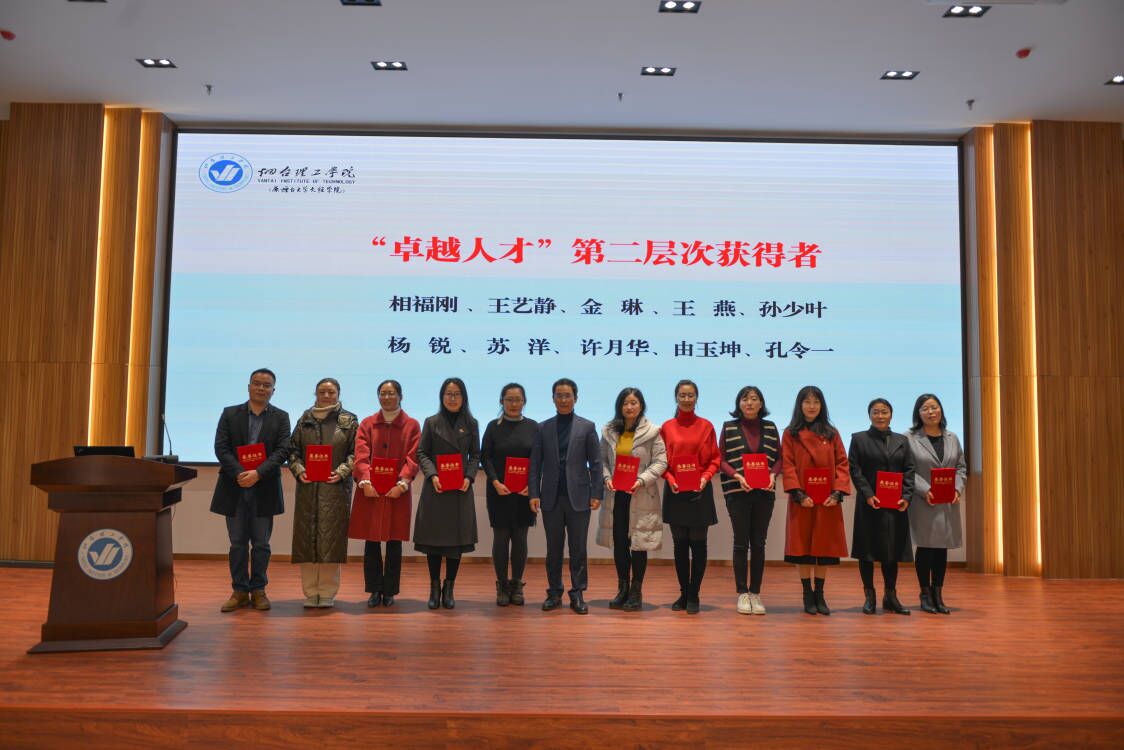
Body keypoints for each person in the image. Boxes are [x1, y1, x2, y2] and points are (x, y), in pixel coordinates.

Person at [210, 368, 291, 613]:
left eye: (267, 385)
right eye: (257, 383)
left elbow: (283, 450)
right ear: (248, 386)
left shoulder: (281, 417)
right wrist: (240, 473)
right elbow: (221, 448)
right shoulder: (230, 414)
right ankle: (239, 591)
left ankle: (258, 590)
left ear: (273, 390)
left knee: (261, 544)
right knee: (237, 543)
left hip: (264, 487)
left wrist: (257, 473)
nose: (261, 388)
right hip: (234, 487)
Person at [529, 378, 603, 615]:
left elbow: (596, 463)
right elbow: (535, 464)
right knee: (553, 549)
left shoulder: (587, 427)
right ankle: (554, 592)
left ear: (575, 398)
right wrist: (533, 493)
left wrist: (597, 492)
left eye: (567, 395)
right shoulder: (542, 428)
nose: (563, 399)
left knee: (578, 548)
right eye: (559, 395)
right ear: (553, 399)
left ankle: (577, 593)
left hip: (579, 497)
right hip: (550, 497)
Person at [349, 379, 420, 608]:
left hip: (397, 492)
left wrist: (402, 483)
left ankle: (390, 591)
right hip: (370, 490)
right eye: (382, 393)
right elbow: (361, 455)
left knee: (394, 542)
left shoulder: (412, 425)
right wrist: (365, 480)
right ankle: (374, 590)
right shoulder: (367, 424)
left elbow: (413, 458)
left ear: (400, 396)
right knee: (371, 542)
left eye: (391, 393)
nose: (386, 397)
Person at [287, 378, 358, 608]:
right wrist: (299, 470)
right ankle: (310, 593)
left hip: (335, 489)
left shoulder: (348, 421)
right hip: (308, 489)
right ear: (315, 394)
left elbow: (356, 453)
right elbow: (293, 451)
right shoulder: (304, 419)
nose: (326, 395)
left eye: (331, 392)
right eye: (322, 391)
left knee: (330, 541)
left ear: (338, 394)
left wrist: (342, 471)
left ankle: (327, 593)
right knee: (307, 541)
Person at [780, 385, 851, 616]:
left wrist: (837, 493)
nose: (812, 406)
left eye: (816, 402)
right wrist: (798, 494)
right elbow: (788, 464)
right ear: (800, 405)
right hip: (802, 500)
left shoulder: (831, 433)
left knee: (824, 547)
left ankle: (820, 594)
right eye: (807, 402)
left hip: (827, 500)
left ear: (822, 406)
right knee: (802, 548)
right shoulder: (790, 433)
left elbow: (842, 463)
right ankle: (806, 593)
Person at [596, 387, 667, 611]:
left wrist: (641, 480)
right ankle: (623, 588)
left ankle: (636, 591)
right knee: (619, 543)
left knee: (639, 544)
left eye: (634, 403)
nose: (629, 407)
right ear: (619, 406)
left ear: (641, 405)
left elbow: (661, 461)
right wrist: (606, 478)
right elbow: (601, 460)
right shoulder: (608, 430)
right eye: (625, 403)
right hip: (616, 496)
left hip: (640, 494)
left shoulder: (653, 431)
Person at [414, 377, 480, 610]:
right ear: (442, 397)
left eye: (457, 394)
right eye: (448, 394)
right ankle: (434, 587)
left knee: (455, 543)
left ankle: (449, 587)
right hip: (437, 489)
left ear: (463, 397)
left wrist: (469, 477)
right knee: (434, 542)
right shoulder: (431, 422)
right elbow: (422, 453)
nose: (452, 398)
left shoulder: (471, 423)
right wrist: (432, 475)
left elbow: (475, 455)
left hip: (460, 489)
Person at [848, 398, 916, 616]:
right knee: (866, 552)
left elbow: (909, 470)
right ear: (869, 415)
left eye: (884, 412)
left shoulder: (902, 441)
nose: (880, 416)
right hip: (870, 505)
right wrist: (868, 495)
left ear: (891, 414)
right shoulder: (859, 439)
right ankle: (869, 596)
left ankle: (891, 596)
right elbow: (855, 470)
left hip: (895, 506)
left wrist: (906, 496)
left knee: (891, 552)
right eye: (875, 412)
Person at [659, 379, 720, 615]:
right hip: (675, 491)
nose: (686, 399)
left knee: (699, 544)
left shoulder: (706, 426)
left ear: (697, 398)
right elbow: (661, 461)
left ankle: (694, 593)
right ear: (676, 397)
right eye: (682, 395)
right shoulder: (667, 427)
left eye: (690, 395)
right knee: (680, 545)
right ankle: (684, 593)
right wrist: (670, 479)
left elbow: (715, 459)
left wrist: (705, 477)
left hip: (700, 491)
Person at [718, 385, 780, 615]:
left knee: (759, 543)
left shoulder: (771, 427)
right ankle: (742, 593)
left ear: (761, 403)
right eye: (745, 399)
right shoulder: (729, 427)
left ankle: (755, 592)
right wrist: (737, 476)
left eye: (754, 398)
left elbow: (780, 458)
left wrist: (773, 475)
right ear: (739, 403)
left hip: (764, 493)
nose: (749, 403)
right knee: (741, 543)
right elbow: (721, 459)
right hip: (737, 492)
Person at [905, 393, 966, 615]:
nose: (931, 412)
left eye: (934, 407)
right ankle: (925, 594)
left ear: (941, 409)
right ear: (918, 413)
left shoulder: (952, 437)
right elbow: (907, 470)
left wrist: (957, 488)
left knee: (941, 548)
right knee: (926, 547)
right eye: (925, 408)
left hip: (947, 502)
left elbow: (961, 467)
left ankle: (938, 594)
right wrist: (925, 490)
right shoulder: (909, 438)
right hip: (924, 501)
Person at [479, 383, 539, 607]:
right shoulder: (493, 427)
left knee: (520, 538)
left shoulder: (533, 427)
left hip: (524, 493)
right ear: (501, 401)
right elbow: (485, 457)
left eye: (518, 399)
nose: (514, 404)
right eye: (509, 399)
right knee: (501, 538)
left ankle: (517, 583)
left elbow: (538, 460)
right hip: (499, 492)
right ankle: (502, 584)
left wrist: (532, 486)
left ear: (524, 402)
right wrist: (495, 482)